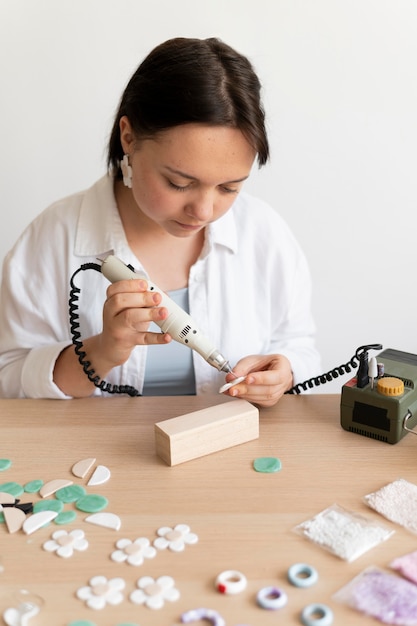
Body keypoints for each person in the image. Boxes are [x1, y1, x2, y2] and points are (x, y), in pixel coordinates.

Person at [0, 37, 321, 407]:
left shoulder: (264, 234)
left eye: (229, 187)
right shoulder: (52, 238)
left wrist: (284, 371)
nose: (203, 211)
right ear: (129, 137)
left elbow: (300, 347)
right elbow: (10, 380)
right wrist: (103, 351)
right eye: (179, 183)